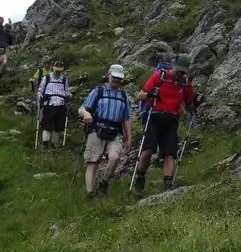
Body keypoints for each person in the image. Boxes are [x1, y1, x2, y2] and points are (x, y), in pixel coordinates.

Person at [134, 55, 196, 193]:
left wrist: (195, 105)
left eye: (183, 71)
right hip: (154, 117)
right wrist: (150, 93)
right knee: (148, 150)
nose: (180, 73)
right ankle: (140, 176)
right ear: (173, 66)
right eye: (179, 70)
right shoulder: (159, 76)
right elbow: (140, 96)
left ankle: (168, 184)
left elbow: (189, 104)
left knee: (170, 153)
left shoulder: (185, 83)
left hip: (171, 120)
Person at [78, 64, 133, 198]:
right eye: (114, 77)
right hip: (96, 129)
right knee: (92, 162)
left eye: (119, 79)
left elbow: (126, 118)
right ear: (109, 75)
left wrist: (129, 138)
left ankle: (103, 183)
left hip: (115, 132)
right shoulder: (98, 91)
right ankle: (90, 193)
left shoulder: (124, 96)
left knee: (114, 157)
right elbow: (82, 108)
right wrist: (86, 114)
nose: (116, 80)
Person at [37, 60, 72, 149]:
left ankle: (54, 145)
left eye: (59, 70)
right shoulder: (47, 77)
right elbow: (40, 90)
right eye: (56, 69)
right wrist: (40, 95)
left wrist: (69, 95)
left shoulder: (64, 79)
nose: (58, 71)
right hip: (49, 104)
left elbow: (67, 91)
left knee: (59, 127)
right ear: (54, 68)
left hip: (61, 104)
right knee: (47, 125)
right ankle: (45, 145)